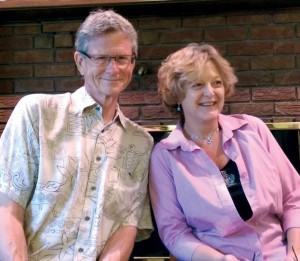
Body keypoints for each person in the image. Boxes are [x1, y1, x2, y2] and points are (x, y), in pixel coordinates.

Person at [0, 9, 154, 260]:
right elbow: (6, 207)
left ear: (132, 63)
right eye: (101, 57)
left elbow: (126, 224)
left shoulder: (140, 142)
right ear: (80, 62)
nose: (113, 68)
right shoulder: (37, 113)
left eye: (121, 58)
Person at [149, 43, 300, 261]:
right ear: (178, 95)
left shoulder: (253, 129)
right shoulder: (165, 156)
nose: (210, 92)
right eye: (198, 84)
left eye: (217, 83)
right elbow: (174, 233)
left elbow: (294, 197)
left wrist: (294, 255)